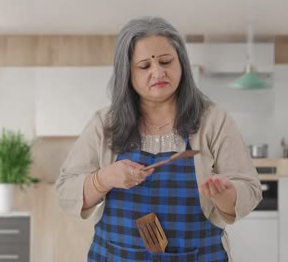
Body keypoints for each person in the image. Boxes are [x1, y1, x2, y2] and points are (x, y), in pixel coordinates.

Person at [56, 16, 262, 262]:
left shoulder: (214, 120)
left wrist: (225, 196)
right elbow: (65, 190)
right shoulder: (105, 123)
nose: (158, 72)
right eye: (144, 66)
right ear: (127, 73)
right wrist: (104, 179)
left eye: (166, 61)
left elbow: (249, 189)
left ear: (181, 63)